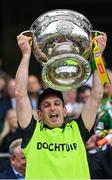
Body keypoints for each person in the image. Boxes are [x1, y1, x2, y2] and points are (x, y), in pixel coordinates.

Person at [15, 32, 107, 179]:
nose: (52, 108)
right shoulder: (33, 132)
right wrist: (26, 55)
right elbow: (20, 94)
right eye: (46, 105)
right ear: (39, 114)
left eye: (57, 103)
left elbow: (97, 95)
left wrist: (98, 56)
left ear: (64, 110)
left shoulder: (77, 130)